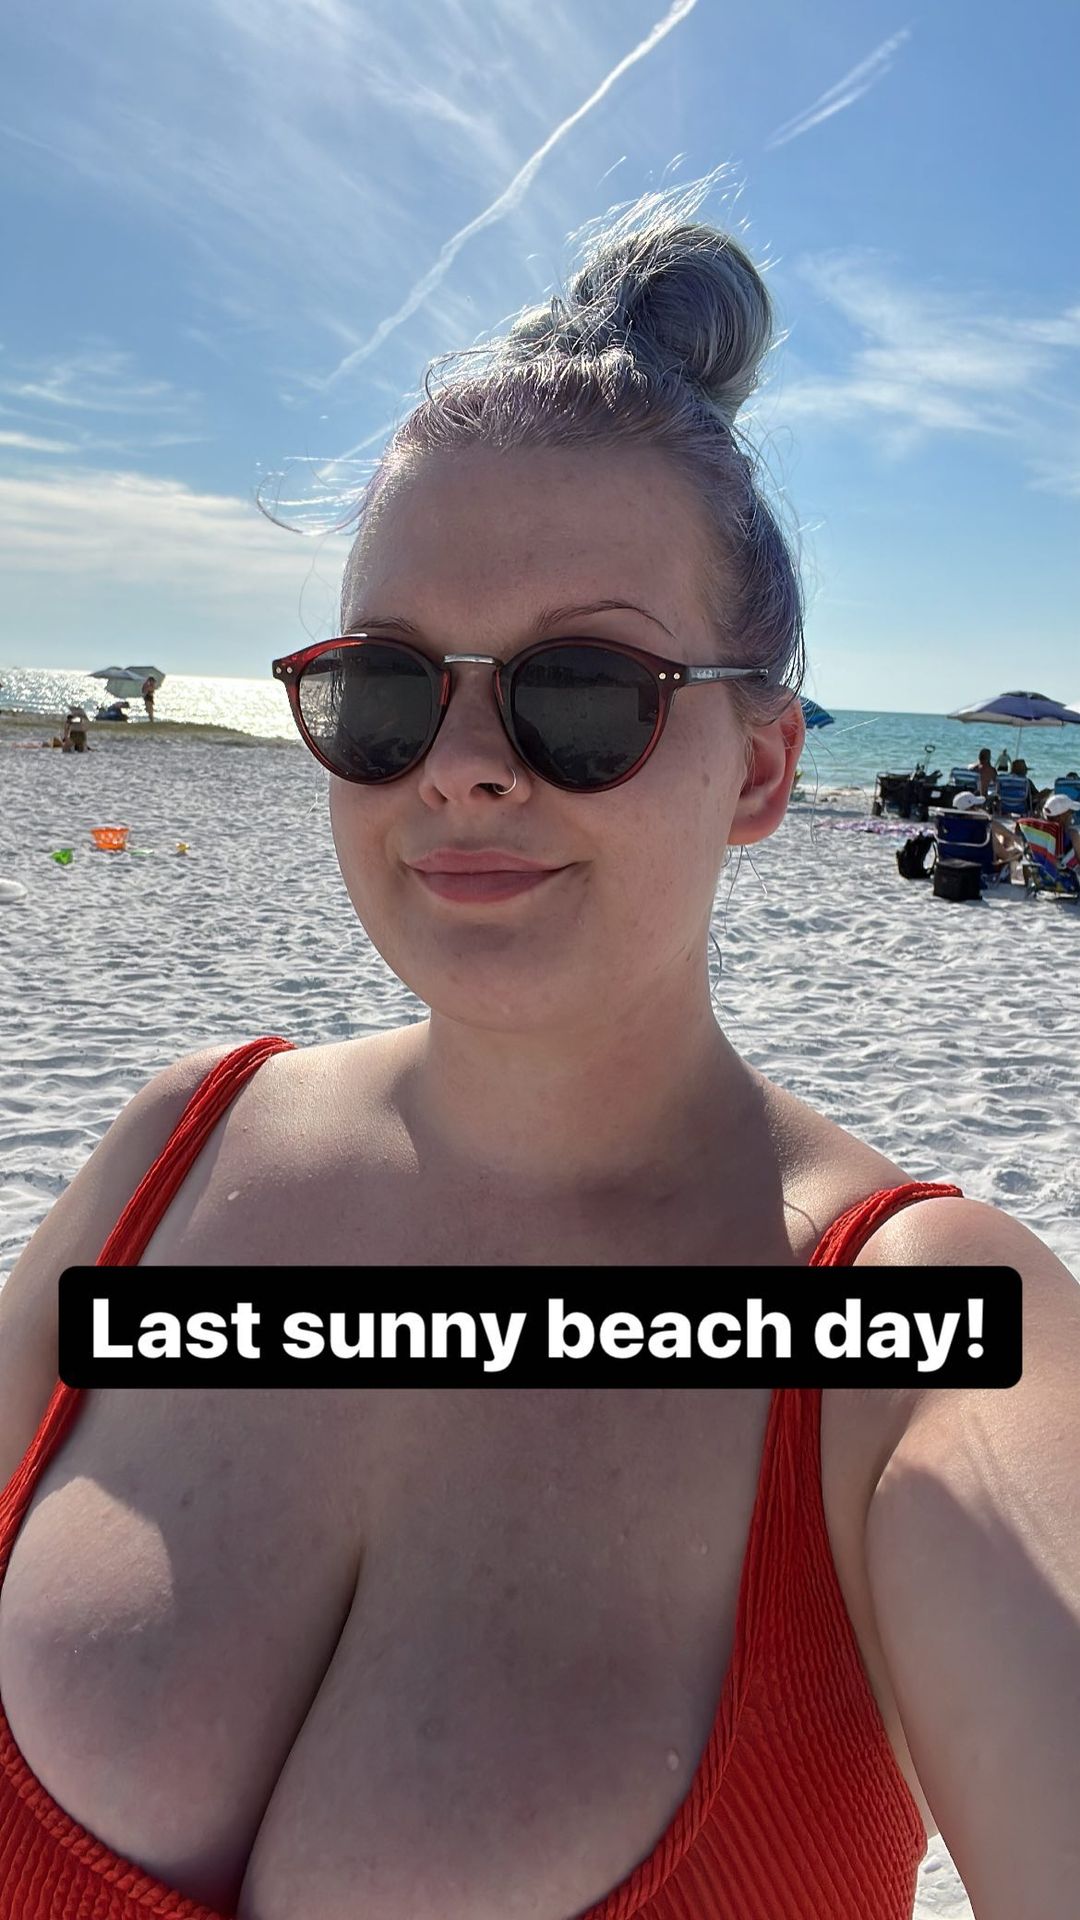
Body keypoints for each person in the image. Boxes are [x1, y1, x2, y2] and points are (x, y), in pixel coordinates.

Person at [2, 199, 1078, 1920]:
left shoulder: (920, 1334)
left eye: (583, 689)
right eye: (386, 687)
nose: (461, 766)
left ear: (760, 769)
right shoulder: (168, 1156)